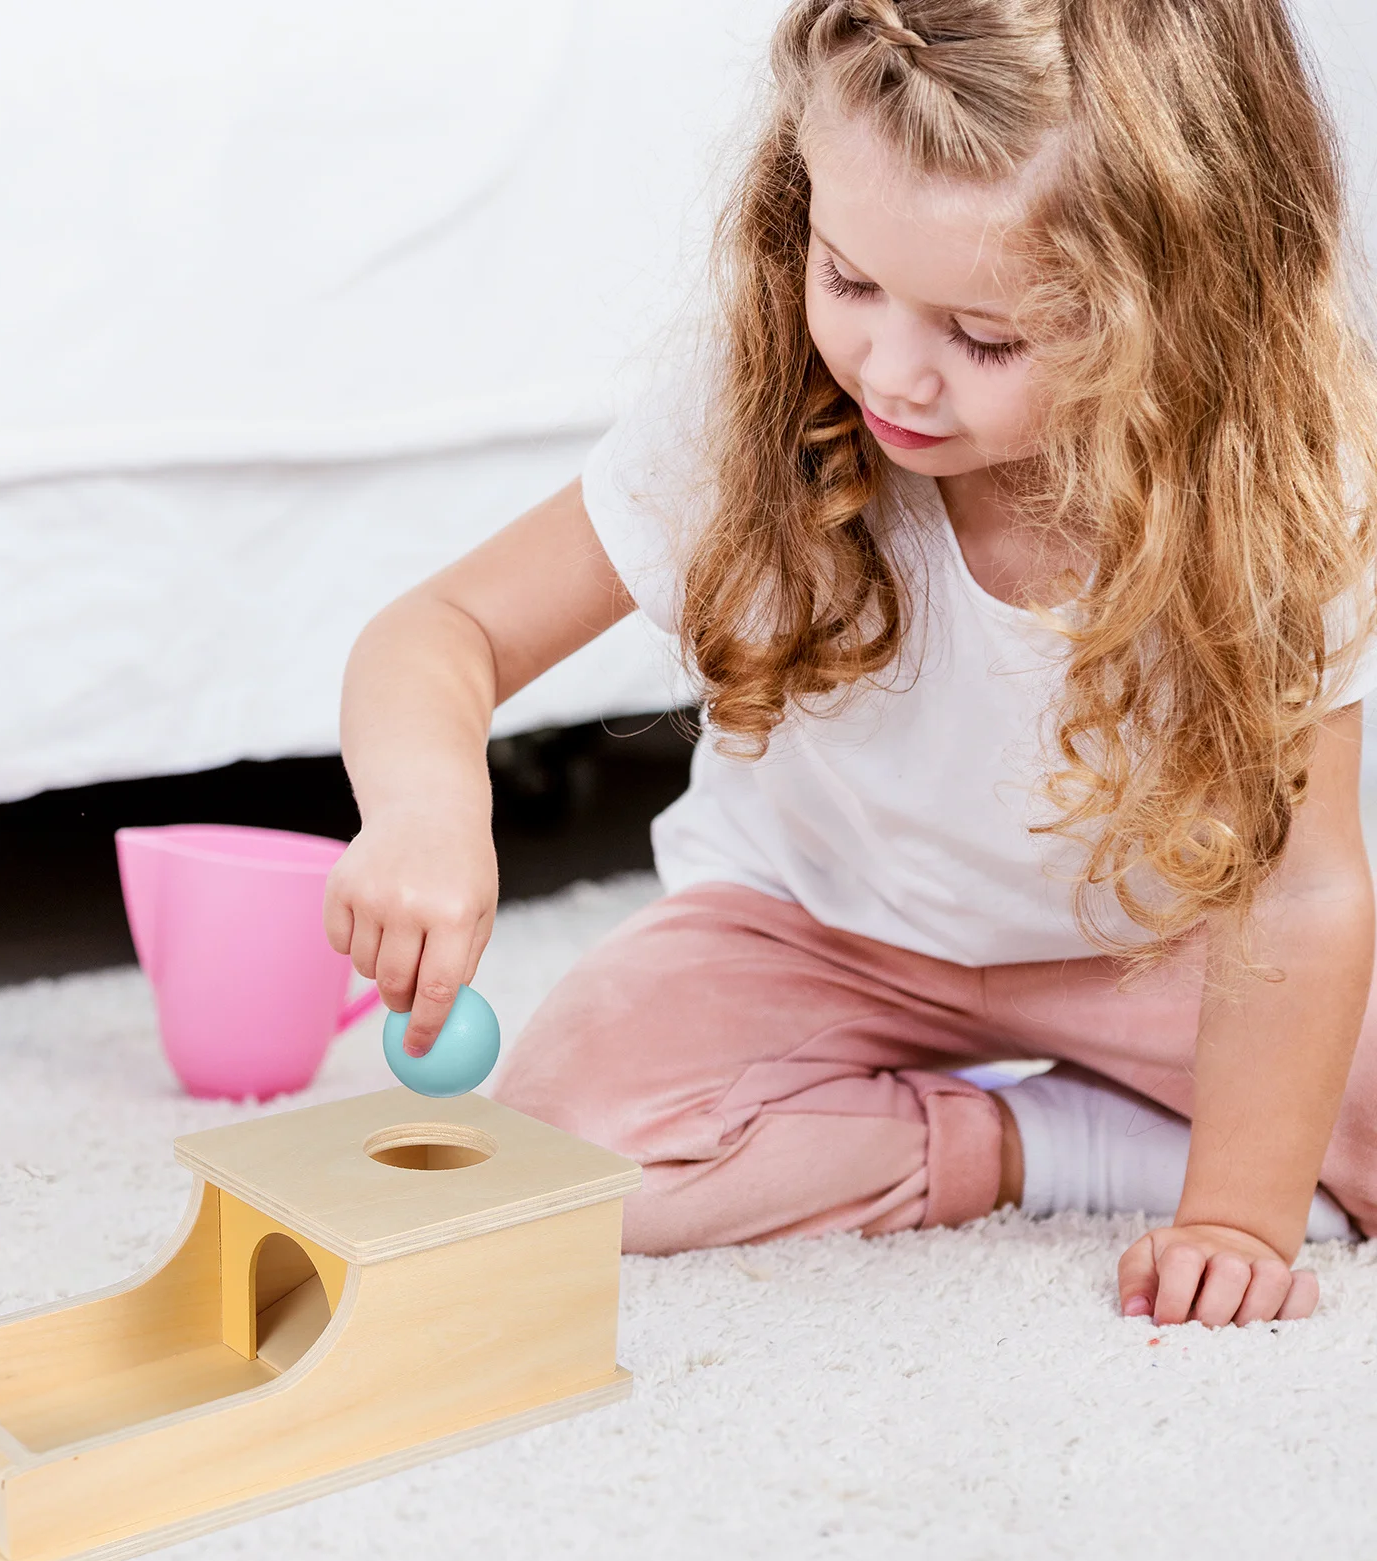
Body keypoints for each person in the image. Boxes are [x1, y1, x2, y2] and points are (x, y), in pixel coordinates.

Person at [326, 0, 1377, 1328]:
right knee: (576, 1150)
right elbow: (444, 632)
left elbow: (1299, 896)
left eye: (985, 337)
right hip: (817, 926)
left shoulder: (1281, 485)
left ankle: (1132, 1131)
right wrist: (427, 813)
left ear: (1186, 304)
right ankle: (1044, 1146)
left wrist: (1236, 1216)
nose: (891, 371)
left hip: (1150, 952)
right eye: (849, 278)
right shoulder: (756, 406)